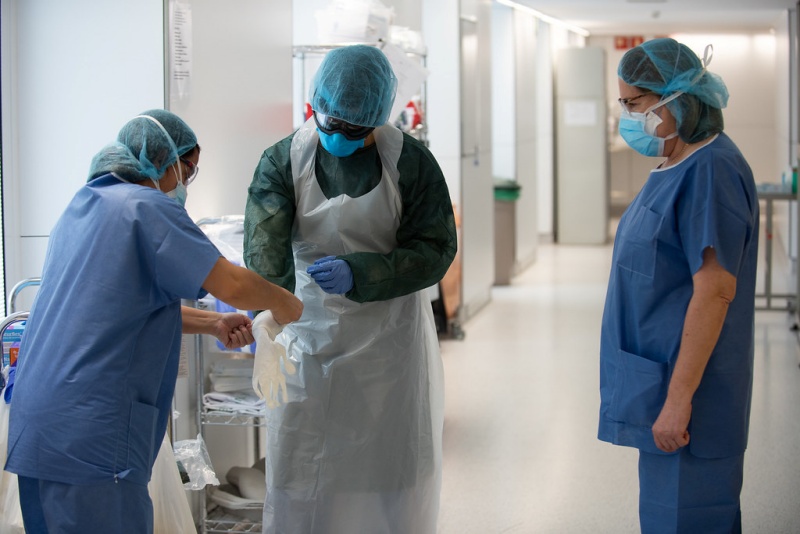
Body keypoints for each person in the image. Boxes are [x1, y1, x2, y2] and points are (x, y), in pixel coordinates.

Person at [4, 109, 303, 533]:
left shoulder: (81, 207)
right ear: (162, 161)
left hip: (39, 429)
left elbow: (119, 307)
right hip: (91, 437)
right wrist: (286, 302)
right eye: (188, 171)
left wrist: (213, 324)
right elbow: (233, 284)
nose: (185, 185)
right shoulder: (147, 208)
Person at [244, 44, 457, 533]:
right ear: (314, 102)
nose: (339, 135)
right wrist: (268, 319)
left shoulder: (411, 163)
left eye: (355, 128)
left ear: (378, 119)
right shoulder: (283, 160)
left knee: (389, 464)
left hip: (389, 340)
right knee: (303, 463)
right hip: (304, 333)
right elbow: (266, 251)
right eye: (331, 121)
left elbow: (435, 248)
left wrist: (364, 272)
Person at [598, 38, 759, 533]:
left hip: (692, 397)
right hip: (658, 379)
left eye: (635, 103)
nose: (628, 116)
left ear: (677, 98)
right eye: (623, 103)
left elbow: (715, 291)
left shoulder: (712, 170)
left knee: (690, 517)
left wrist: (678, 400)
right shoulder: (674, 162)